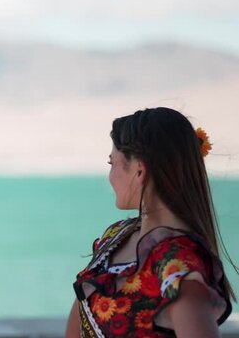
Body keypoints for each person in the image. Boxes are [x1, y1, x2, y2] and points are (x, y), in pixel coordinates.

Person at [65, 107, 235, 337]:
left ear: (139, 170)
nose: (110, 176)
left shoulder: (177, 263)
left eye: (111, 163)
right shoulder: (116, 236)